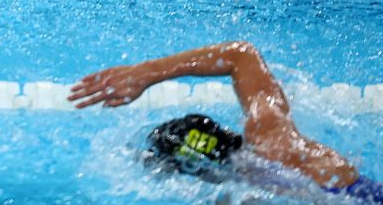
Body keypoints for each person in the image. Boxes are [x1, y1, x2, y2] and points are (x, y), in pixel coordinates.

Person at [68, 41, 380, 201]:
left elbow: (241, 54)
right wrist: (146, 73)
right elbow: (239, 56)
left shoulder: (275, 147)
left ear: (200, 172)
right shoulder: (267, 144)